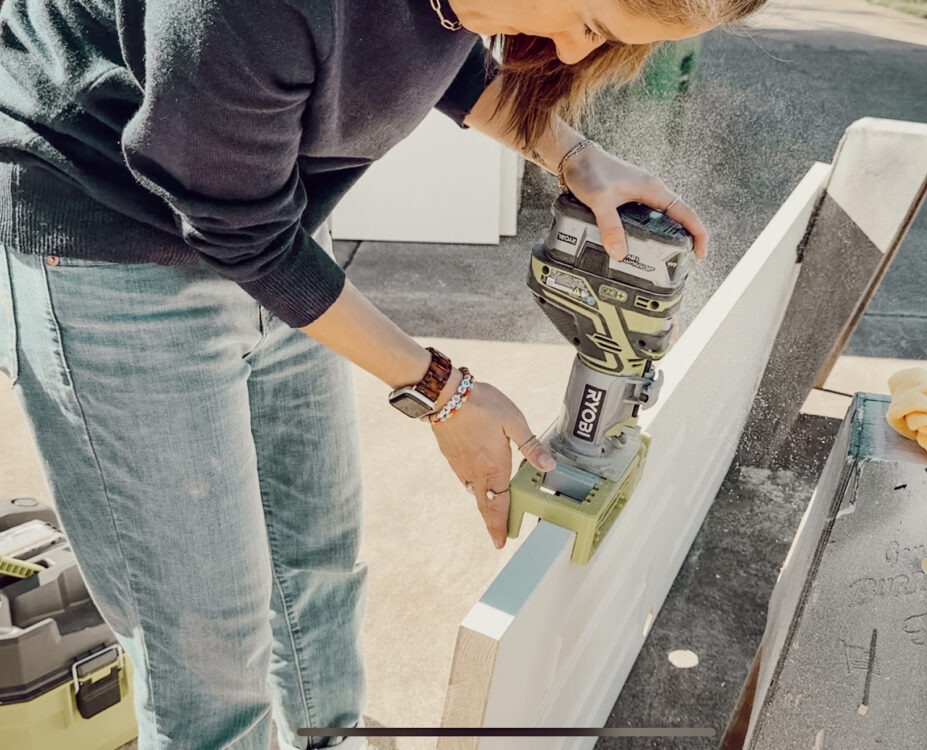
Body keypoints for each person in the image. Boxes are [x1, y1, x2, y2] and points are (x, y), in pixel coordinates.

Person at [0, 0, 764, 747]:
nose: (569, 54)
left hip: (269, 222)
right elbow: (240, 229)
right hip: (113, 240)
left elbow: (432, 51)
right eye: (591, 24)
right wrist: (443, 393)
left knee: (316, 565)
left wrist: (573, 153)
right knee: (204, 652)